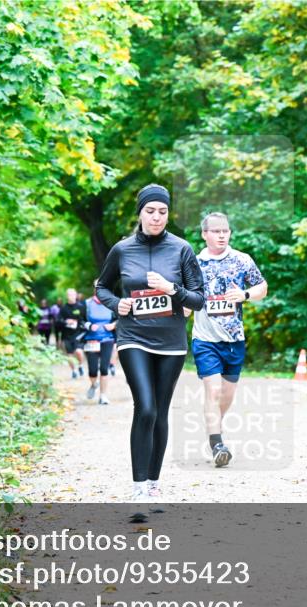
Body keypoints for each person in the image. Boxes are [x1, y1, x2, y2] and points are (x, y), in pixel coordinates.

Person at [96, 184, 205, 501]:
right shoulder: (122, 250)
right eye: (150, 211)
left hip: (171, 341)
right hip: (133, 337)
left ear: (168, 215)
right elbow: (102, 287)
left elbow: (199, 299)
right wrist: (117, 304)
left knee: (159, 411)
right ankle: (139, 487)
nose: (156, 217)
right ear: (140, 213)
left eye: (162, 211)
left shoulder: (182, 249)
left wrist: (173, 289)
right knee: (145, 407)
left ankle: (154, 482)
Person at [188, 212, 267, 467]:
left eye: (225, 231)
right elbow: (186, 299)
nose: (222, 235)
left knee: (227, 395)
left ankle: (214, 427)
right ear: (204, 234)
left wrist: (244, 295)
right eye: (216, 231)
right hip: (205, 339)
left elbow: (262, 287)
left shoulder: (242, 260)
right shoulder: (194, 263)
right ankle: (217, 444)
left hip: (234, 339)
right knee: (213, 390)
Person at [84, 284, 117, 405]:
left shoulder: (111, 303)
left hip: (107, 339)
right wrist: (89, 326)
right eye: (96, 287)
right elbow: (80, 320)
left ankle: (103, 396)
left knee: (104, 368)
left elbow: (121, 318)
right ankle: (94, 384)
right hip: (91, 340)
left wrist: (113, 325)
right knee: (92, 370)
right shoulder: (87, 304)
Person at [59, 289, 86, 379]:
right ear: (67, 296)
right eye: (69, 295)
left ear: (76, 295)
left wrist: (79, 323)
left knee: (79, 352)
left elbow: (85, 319)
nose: (71, 296)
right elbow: (58, 320)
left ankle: (80, 365)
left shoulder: (81, 307)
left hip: (79, 333)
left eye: (73, 294)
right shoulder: (63, 308)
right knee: (69, 355)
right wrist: (66, 322)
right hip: (67, 335)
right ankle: (74, 371)